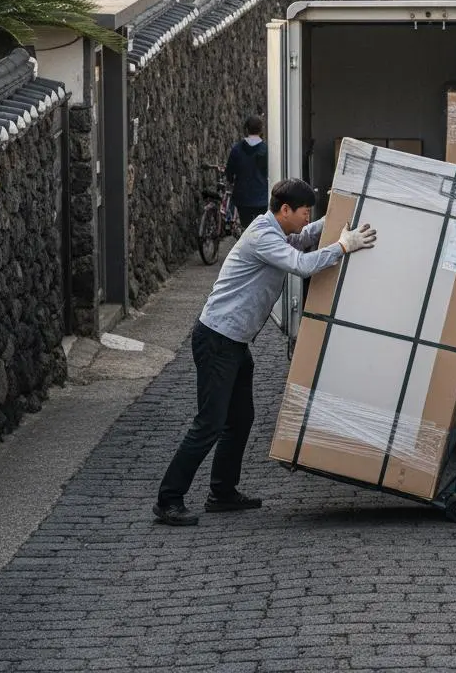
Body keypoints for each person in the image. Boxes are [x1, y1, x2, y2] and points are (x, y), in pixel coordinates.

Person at [153, 178, 377, 526]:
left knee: (240, 419)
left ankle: (222, 492)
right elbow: (302, 265)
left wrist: (337, 215)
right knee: (209, 423)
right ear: (284, 210)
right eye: (304, 213)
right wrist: (344, 247)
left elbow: (304, 238)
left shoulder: (278, 230)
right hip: (217, 339)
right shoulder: (263, 236)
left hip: (235, 342)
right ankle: (168, 499)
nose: (307, 219)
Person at [225, 116, 269, 229]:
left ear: (246, 129)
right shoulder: (265, 150)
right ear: (261, 130)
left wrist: (230, 181)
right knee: (261, 228)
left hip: (242, 196)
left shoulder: (237, 149)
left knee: (247, 229)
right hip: (261, 196)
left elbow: (229, 171)